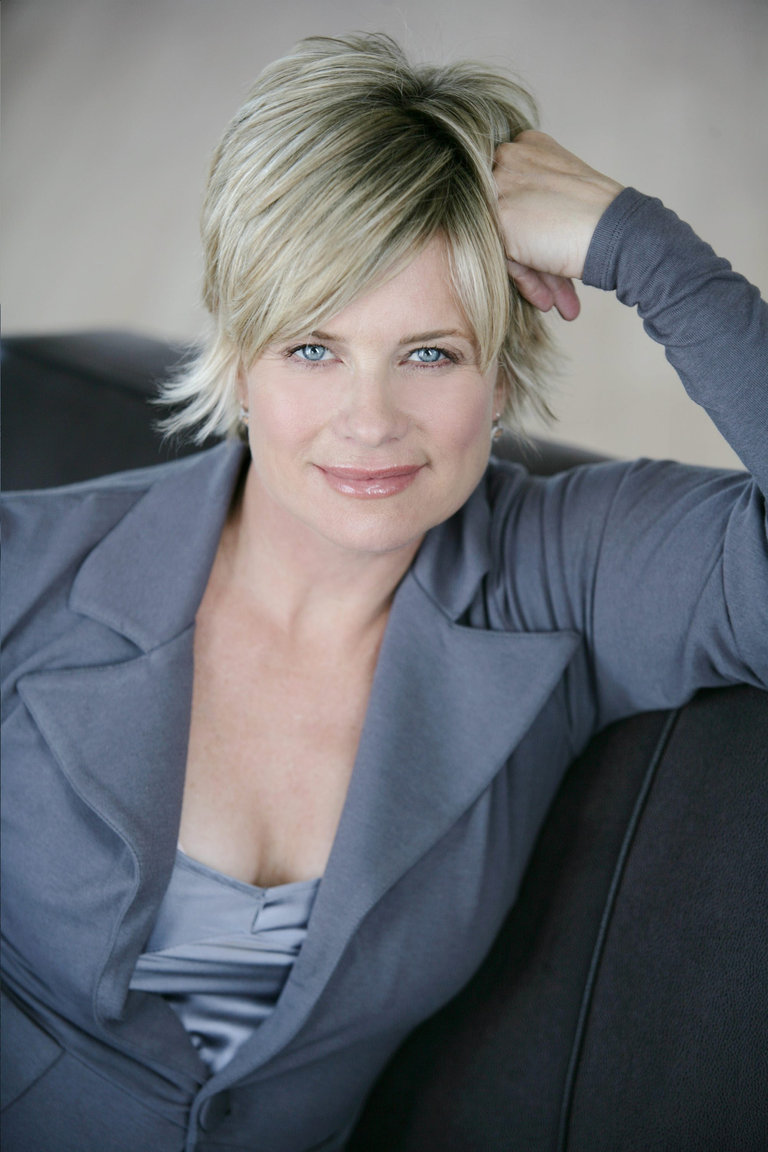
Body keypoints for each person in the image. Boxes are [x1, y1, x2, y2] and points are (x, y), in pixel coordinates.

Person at [2, 31, 766, 1152]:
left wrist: (645, 250)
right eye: (313, 348)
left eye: (431, 353)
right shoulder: (27, 567)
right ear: (240, 357)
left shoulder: (568, 573)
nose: (370, 422)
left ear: (501, 372)